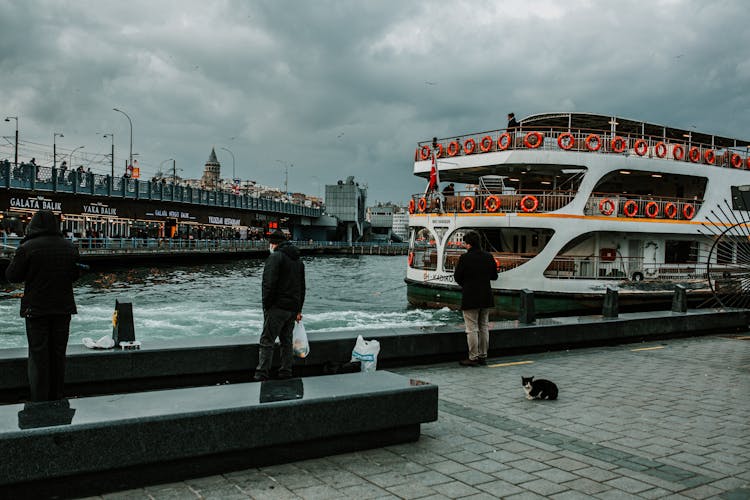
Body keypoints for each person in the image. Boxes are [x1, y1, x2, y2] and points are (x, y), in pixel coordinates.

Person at [5, 210, 80, 401]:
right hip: (63, 309)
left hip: (36, 309)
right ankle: (57, 396)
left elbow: (12, 276)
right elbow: (74, 276)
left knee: (39, 355)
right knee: (58, 353)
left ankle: (39, 398)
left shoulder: (28, 247)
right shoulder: (69, 247)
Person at [254, 230, 306, 381]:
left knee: (267, 341)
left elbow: (268, 284)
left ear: (273, 243)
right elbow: (302, 288)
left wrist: (267, 305)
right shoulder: (298, 261)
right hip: (292, 309)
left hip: (277, 308)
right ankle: (285, 372)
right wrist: (298, 309)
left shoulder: (275, 257)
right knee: (286, 341)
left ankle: (262, 374)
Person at [453, 231, 498, 367]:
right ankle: (483, 356)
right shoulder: (488, 256)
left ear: (469, 244)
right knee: (484, 327)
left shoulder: (464, 258)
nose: (464, 245)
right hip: (486, 296)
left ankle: (473, 358)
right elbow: (494, 276)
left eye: (465, 243)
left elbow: (457, 277)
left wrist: (467, 284)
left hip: (470, 297)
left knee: (471, 328)